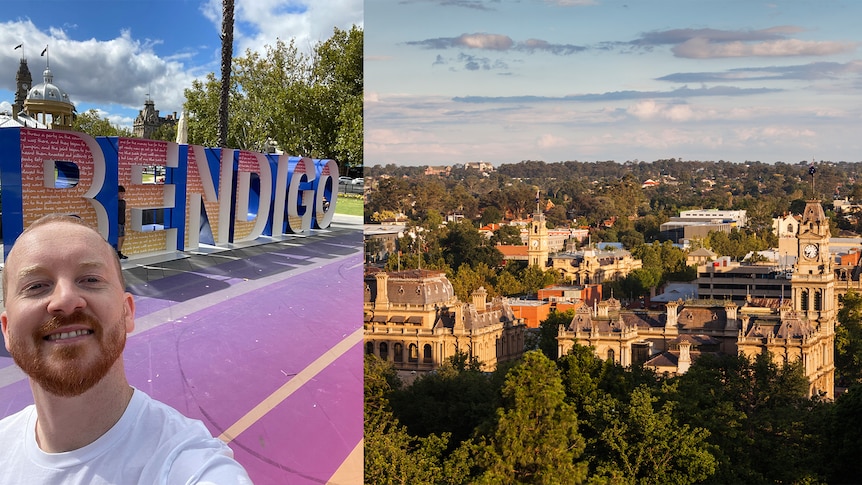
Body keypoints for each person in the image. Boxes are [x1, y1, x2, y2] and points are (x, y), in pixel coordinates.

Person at [0, 214, 253, 484]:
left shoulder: (187, 465)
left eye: (90, 280)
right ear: (6, 329)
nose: (65, 299)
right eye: (36, 286)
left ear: (127, 312)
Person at [117, 185, 128, 259]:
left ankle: (119, 252)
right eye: (121, 193)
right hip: (117, 222)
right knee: (119, 237)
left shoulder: (123, 202)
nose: (122, 195)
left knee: (122, 237)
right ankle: (118, 253)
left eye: (123, 194)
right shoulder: (115, 202)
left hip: (122, 222)